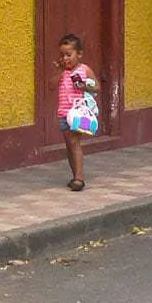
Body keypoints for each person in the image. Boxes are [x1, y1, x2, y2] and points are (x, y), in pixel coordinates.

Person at [54, 33, 97, 191]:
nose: (65, 58)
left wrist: (84, 86)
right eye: (62, 55)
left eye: (68, 54)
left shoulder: (85, 70)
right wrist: (59, 71)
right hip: (63, 114)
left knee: (74, 143)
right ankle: (74, 175)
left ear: (79, 54)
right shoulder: (63, 72)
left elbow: (97, 87)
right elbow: (51, 85)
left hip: (78, 113)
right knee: (69, 145)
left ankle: (79, 178)